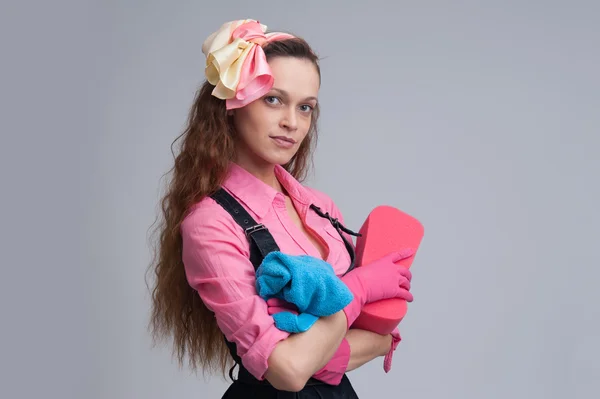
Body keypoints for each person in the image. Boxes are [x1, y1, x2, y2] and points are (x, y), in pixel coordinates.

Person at [148, 19, 414, 398]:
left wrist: (319, 353)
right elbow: (287, 371)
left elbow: (379, 339)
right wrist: (358, 288)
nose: (291, 122)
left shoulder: (321, 208)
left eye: (305, 108)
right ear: (231, 105)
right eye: (273, 99)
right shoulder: (210, 224)